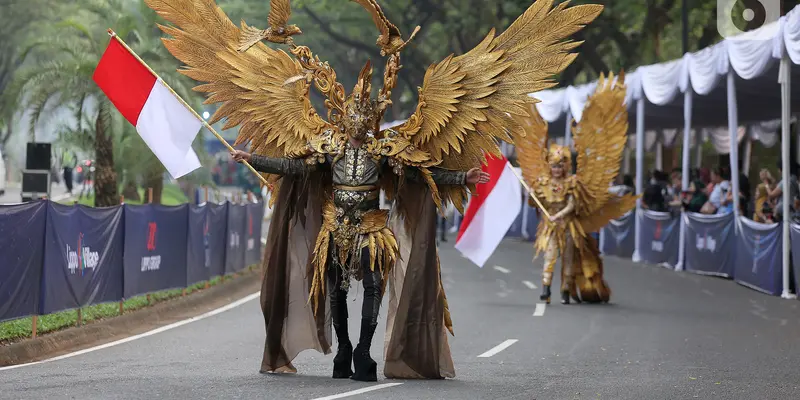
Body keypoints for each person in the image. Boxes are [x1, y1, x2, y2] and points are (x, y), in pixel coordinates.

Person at [146, 0, 606, 382]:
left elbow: (420, 173)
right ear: (343, 122)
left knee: (371, 287)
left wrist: (460, 179)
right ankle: (344, 348)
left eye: (362, 122)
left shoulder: (388, 150)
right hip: (334, 227)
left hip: (370, 228)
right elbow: (292, 167)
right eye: (351, 122)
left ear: (369, 123)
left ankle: (365, 349)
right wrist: (253, 158)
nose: (356, 128)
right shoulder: (325, 146)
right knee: (333, 290)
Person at [515, 72, 638, 305]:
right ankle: (545, 289)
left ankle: (565, 290)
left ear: (566, 166)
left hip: (569, 225)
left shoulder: (573, 183)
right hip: (549, 226)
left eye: (561, 166)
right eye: (554, 165)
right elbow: (534, 203)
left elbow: (573, 204)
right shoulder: (543, 182)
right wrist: (532, 196)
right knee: (549, 256)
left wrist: (559, 214)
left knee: (569, 258)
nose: (558, 170)